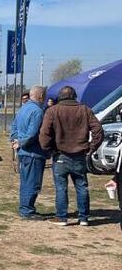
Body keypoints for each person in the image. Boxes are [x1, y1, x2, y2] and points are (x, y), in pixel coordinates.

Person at [39, 85, 103, 226]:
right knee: (82, 186)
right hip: (80, 154)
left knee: (61, 187)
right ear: (75, 96)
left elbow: (44, 134)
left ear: (60, 97)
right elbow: (98, 131)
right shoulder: (85, 109)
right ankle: (84, 218)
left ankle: (62, 217)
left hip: (60, 155)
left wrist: (48, 149)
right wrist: (91, 148)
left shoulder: (52, 111)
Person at [10, 86, 48, 220]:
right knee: (32, 182)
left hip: (23, 152)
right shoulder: (38, 111)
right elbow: (33, 133)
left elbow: (13, 127)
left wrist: (15, 140)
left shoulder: (23, 109)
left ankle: (24, 208)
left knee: (25, 181)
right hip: (33, 152)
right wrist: (21, 142)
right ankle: (27, 210)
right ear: (41, 96)